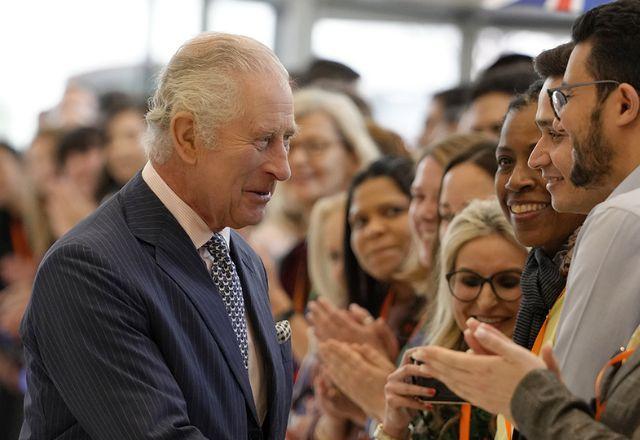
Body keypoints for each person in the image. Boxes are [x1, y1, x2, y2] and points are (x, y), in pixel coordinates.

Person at [20, 33, 295, 440]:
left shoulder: (240, 255)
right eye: (263, 140)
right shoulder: (87, 267)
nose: (283, 167)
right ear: (187, 136)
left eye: (287, 139)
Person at [535, 0, 640, 401]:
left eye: (566, 98)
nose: (561, 121)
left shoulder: (622, 218)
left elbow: (566, 407)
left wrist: (512, 388)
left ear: (624, 104)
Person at [379, 199, 528, 440]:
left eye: (508, 282)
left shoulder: (548, 375)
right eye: (470, 281)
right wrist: (393, 429)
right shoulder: (430, 378)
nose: (486, 301)